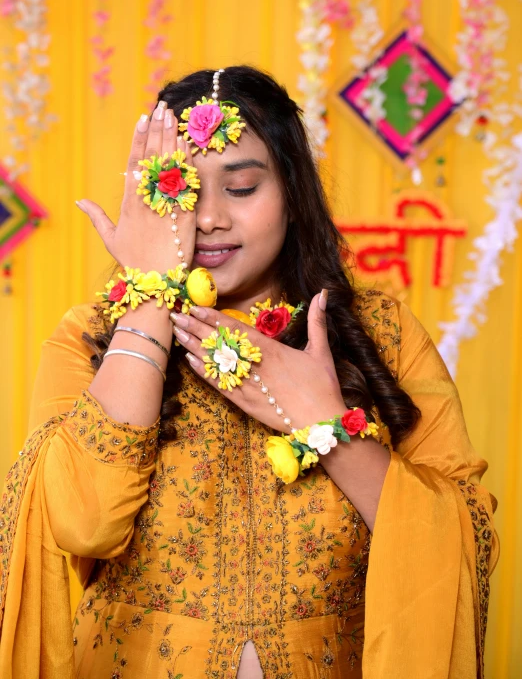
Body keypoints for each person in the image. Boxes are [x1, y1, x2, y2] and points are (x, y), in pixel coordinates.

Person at [0, 66, 499, 679]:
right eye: (179, 188)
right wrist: (151, 300)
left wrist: (325, 427)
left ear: (293, 194)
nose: (208, 218)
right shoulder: (90, 337)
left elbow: (464, 542)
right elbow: (84, 524)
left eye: (240, 188)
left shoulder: (382, 335)